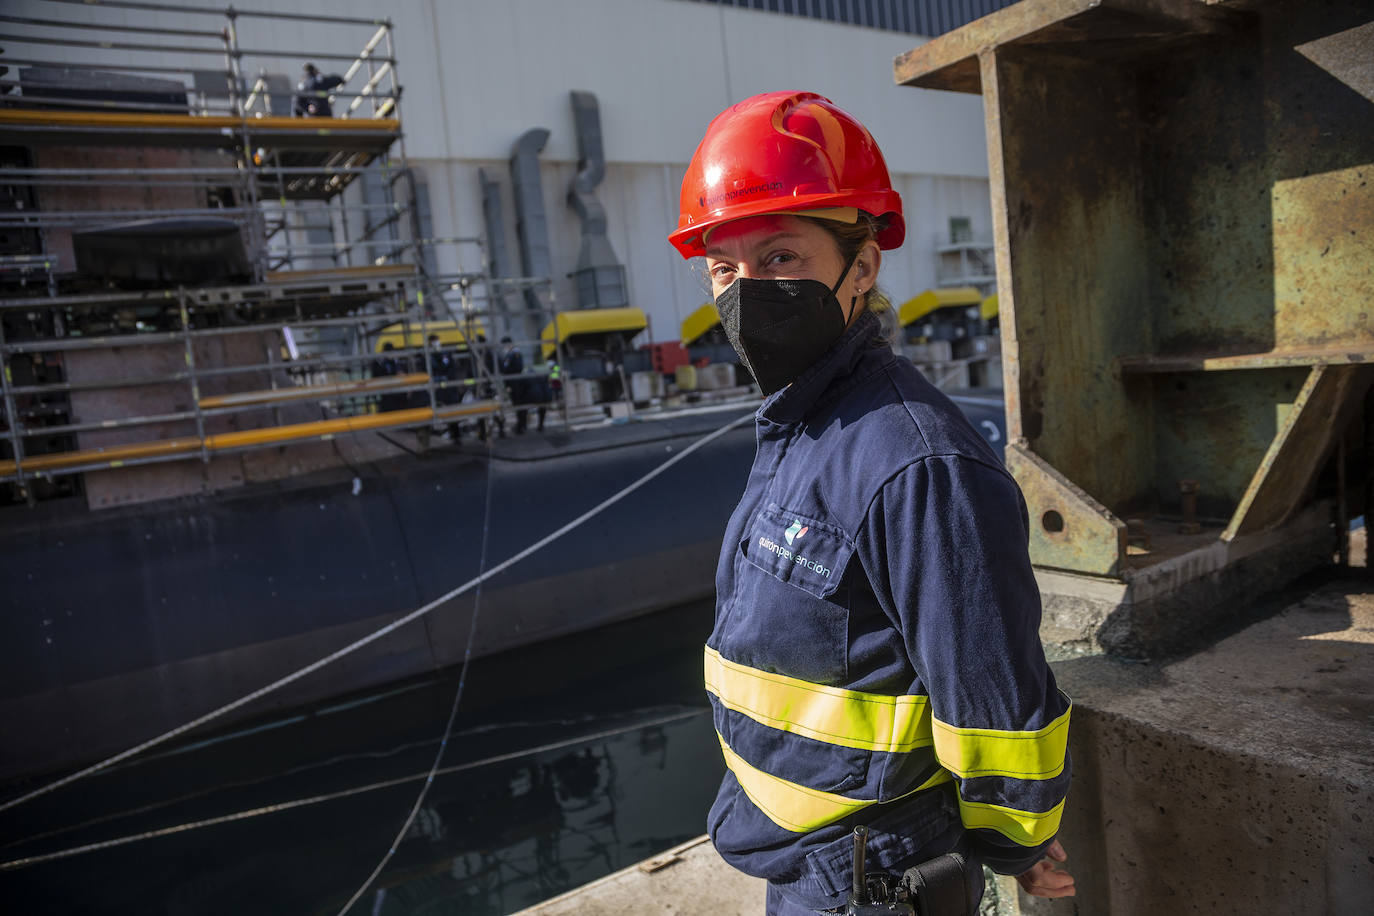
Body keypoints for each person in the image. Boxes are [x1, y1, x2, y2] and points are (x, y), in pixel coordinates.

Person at [668, 91, 1075, 915]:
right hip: (802, 864)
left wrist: (1018, 849)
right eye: (724, 266)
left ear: (864, 265)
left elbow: (994, 695)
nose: (747, 290)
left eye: (781, 257)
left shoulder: (917, 462)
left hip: (875, 879)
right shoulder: (805, 424)